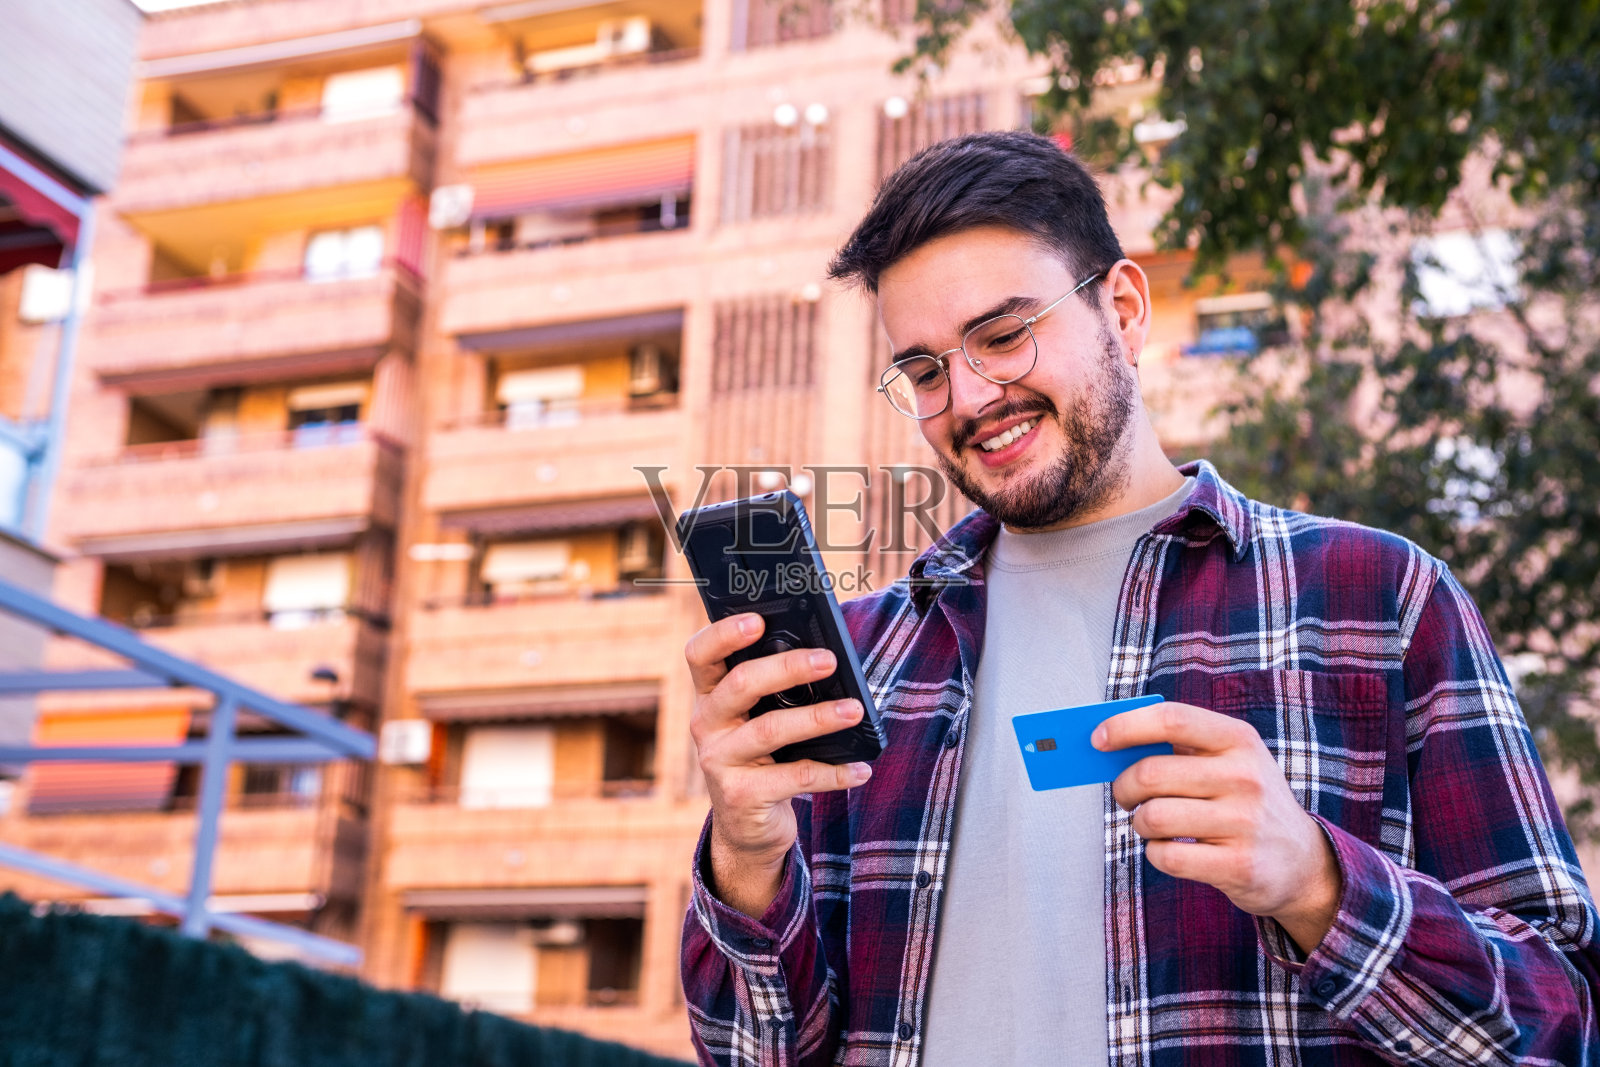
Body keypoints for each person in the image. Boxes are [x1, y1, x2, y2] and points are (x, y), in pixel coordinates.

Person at [678, 131, 1600, 1066]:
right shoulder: (862, 663)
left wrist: (1320, 886)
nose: (968, 398)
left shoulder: (1382, 599)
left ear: (1122, 310)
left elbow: (1563, 1026)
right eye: (924, 371)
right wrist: (746, 860)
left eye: (1004, 337)